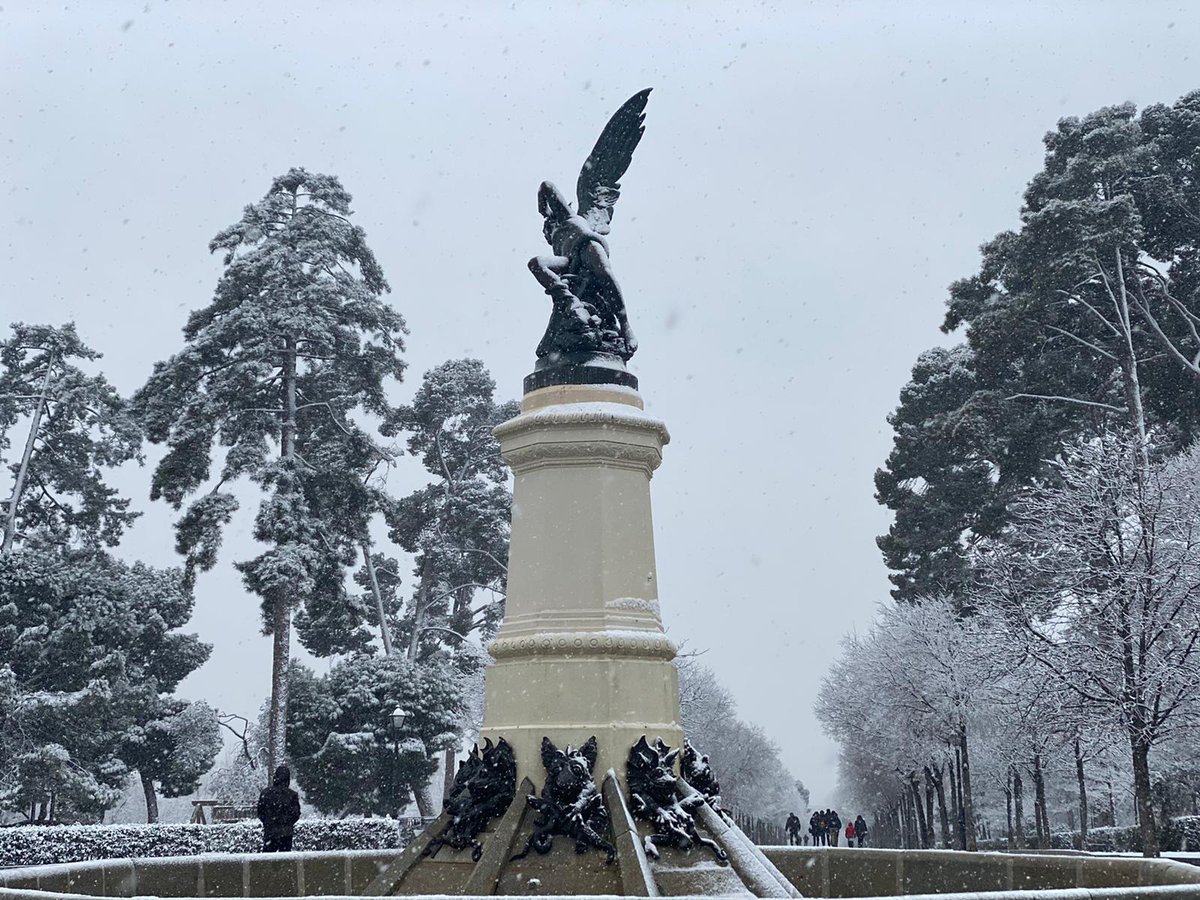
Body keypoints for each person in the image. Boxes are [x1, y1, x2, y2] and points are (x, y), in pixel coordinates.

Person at [257, 765, 301, 852]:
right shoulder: (292, 795)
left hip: (270, 832)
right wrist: (287, 823)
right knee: (285, 861)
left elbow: (260, 812)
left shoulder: (265, 793)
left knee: (268, 861)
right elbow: (296, 814)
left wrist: (268, 822)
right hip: (286, 833)